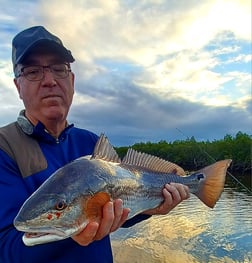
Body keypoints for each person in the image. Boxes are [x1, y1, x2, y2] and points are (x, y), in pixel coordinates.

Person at [0, 26, 190, 263]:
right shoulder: (4, 148)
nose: (49, 80)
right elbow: (5, 248)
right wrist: (75, 232)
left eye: (59, 69)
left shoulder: (90, 142)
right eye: (32, 71)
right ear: (18, 86)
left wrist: (153, 208)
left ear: (71, 80)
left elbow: (118, 210)